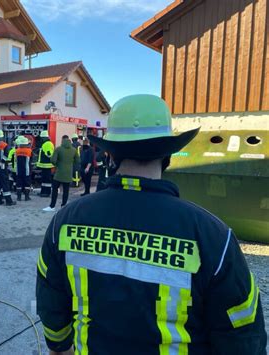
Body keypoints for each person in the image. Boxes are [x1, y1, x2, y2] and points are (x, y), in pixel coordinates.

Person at [36, 95, 266, 355]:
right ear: (169, 153)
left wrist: (60, 346)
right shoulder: (212, 234)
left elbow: (50, 300)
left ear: (110, 153)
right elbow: (242, 330)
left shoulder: (65, 220)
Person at [43, 135, 79, 212]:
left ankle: (52, 206)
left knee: (55, 189)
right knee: (66, 191)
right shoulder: (73, 150)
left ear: (62, 140)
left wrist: (57, 165)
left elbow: (53, 160)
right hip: (68, 173)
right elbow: (78, 161)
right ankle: (63, 206)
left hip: (59, 173)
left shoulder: (58, 149)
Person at [15, 136, 33, 201]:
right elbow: (31, 160)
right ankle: (26, 197)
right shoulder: (29, 151)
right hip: (26, 170)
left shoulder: (17, 151)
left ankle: (19, 197)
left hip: (18, 170)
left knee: (19, 184)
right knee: (27, 184)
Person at [37, 131, 55, 197]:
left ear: (44, 137)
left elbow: (49, 154)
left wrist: (45, 154)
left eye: (42, 138)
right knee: (44, 179)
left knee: (47, 179)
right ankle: (43, 191)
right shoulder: (47, 143)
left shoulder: (47, 144)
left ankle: (46, 192)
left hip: (46, 165)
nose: (41, 139)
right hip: (45, 165)